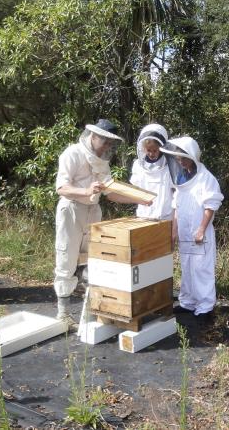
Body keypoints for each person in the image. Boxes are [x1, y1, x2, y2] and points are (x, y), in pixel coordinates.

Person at [53, 119, 151, 320]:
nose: (107, 146)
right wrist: (86, 191)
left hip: (93, 211)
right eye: (105, 142)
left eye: (110, 143)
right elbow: (61, 188)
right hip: (71, 210)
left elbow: (111, 193)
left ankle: (89, 312)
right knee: (66, 257)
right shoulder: (72, 154)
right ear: (93, 136)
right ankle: (63, 314)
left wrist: (139, 199)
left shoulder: (102, 161)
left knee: (91, 258)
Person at [160, 137, 224, 323]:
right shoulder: (181, 178)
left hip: (199, 234)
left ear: (192, 156)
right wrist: (174, 232)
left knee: (202, 270)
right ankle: (188, 303)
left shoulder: (206, 178)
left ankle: (205, 307)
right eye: (178, 158)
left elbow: (211, 205)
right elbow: (177, 206)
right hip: (185, 233)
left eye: (183, 158)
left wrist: (201, 229)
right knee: (187, 268)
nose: (180, 161)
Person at [129, 123, 174, 221]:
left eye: (155, 150)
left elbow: (175, 193)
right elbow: (135, 189)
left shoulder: (169, 166)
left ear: (161, 148)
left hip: (165, 217)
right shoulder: (138, 165)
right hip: (143, 215)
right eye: (149, 150)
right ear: (143, 148)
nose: (151, 153)